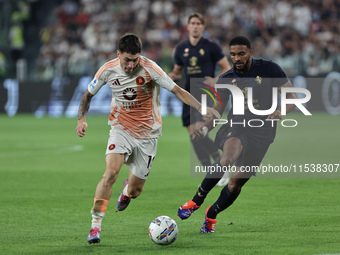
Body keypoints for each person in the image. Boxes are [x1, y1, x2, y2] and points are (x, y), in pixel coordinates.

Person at [75, 33, 220, 244]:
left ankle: (126, 191)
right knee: (110, 173)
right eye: (127, 60)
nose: (131, 65)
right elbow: (88, 95)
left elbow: (178, 90)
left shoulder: (150, 68)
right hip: (120, 128)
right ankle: (95, 226)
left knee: (135, 191)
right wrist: (81, 119)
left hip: (148, 135)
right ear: (118, 54)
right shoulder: (107, 70)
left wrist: (201, 107)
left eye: (135, 60)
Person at [177, 36, 298, 233]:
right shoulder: (226, 79)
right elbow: (217, 112)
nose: (237, 58)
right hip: (237, 125)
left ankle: (211, 214)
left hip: (262, 133)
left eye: (241, 54)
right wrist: (206, 128)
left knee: (234, 185)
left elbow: (292, 97)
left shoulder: (270, 69)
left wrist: (281, 112)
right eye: (233, 54)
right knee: (226, 159)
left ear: (250, 52)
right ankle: (196, 200)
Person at [168, 13, 231, 186]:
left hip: (206, 93)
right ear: (187, 27)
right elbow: (178, 72)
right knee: (193, 136)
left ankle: (220, 167)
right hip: (187, 94)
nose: (195, 26)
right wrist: (169, 77)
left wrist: (215, 80)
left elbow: (227, 68)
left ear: (203, 27)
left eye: (198, 23)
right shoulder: (181, 49)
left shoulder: (211, 46)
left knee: (198, 132)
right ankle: (212, 171)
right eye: (192, 23)